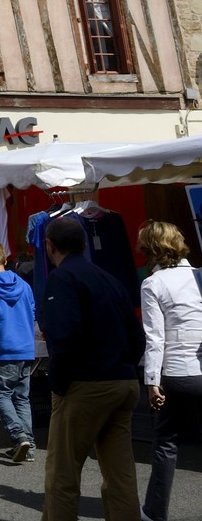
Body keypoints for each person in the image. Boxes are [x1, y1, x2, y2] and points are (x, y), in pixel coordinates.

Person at [39, 214, 144, 521]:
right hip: (123, 380)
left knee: (63, 472)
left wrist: (59, 380)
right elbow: (137, 335)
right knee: (120, 472)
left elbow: (63, 334)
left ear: (49, 246)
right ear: (84, 243)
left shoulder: (62, 278)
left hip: (85, 383)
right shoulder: (109, 277)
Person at [136, 221, 202, 521]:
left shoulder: (153, 284)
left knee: (166, 442)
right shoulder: (200, 276)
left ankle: (154, 511)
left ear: (149, 249)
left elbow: (155, 337)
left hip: (177, 372)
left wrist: (152, 381)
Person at [0, 240, 36, 464]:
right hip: (26, 347)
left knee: (1, 394)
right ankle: (28, 445)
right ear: (4, 259)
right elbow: (32, 313)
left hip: (4, 347)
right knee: (22, 397)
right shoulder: (24, 284)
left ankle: (18, 435)